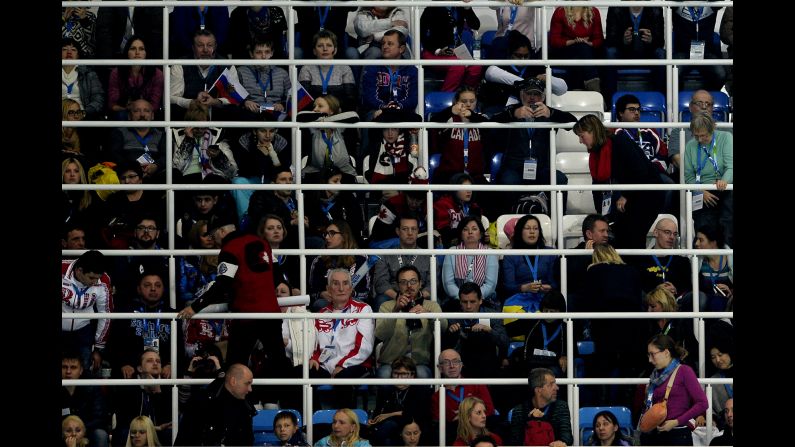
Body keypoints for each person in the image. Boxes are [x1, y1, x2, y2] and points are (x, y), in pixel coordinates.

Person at [176, 216, 290, 374]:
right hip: (271, 313)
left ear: (222, 232)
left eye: (213, 235)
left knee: (235, 365)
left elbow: (222, 284)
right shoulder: (262, 242)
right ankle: (293, 397)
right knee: (279, 361)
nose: (213, 240)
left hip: (246, 315)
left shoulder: (230, 249)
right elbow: (276, 271)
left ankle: (236, 398)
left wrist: (195, 307)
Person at [574, 114, 665, 249]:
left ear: (592, 131)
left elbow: (640, 171)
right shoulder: (596, 154)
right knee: (620, 236)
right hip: (632, 197)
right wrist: (602, 215)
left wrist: (626, 195)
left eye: (582, 136)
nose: (580, 141)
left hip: (648, 195)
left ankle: (634, 268)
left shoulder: (619, 142)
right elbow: (597, 188)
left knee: (632, 238)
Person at [492, 78, 576, 215]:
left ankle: (558, 221)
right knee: (508, 180)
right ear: (521, 95)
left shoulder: (548, 113)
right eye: (528, 93)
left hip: (541, 168)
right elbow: (492, 121)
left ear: (542, 97)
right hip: (514, 168)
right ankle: (505, 221)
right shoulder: (512, 110)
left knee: (559, 179)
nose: (532, 98)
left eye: (536, 94)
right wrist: (514, 114)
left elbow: (574, 122)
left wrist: (551, 113)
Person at [582, 244, 646, 408]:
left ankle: (602, 412)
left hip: (606, 331)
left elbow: (588, 304)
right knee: (628, 378)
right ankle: (627, 415)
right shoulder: (632, 271)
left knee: (601, 373)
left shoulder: (594, 271)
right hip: (634, 331)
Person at [309, 269, 375, 409]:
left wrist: (342, 365)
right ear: (328, 289)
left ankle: (345, 425)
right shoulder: (321, 314)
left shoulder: (364, 309)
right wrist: (314, 358)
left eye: (345, 284)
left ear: (351, 288)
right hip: (325, 366)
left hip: (355, 365)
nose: (341, 288)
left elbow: (364, 346)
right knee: (302, 372)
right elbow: (314, 343)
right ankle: (314, 422)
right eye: (335, 284)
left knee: (343, 378)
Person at [376, 265, 446, 378]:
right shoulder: (386, 306)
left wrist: (429, 315)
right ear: (398, 286)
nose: (409, 286)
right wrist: (395, 310)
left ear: (420, 283)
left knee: (423, 374)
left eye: (413, 281)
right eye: (403, 282)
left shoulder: (432, 306)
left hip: (419, 363)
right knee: (383, 374)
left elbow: (443, 328)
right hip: (391, 362)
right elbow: (381, 335)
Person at [639, 334, 709, 446]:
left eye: (652, 354)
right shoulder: (655, 376)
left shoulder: (684, 371)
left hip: (678, 435)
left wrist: (676, 422)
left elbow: (703, 403)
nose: (650, 360)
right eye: (648, 355)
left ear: (666, 352)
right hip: (656, 434)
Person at [109, 271, 176, 379]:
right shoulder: (125, 312)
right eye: (147, 285)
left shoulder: (172, 314)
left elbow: (180, 347)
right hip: (131, 370)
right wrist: (123, 364)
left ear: (164, 289)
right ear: (139, 289)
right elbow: (114, 343)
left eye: (158, 285)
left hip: (163, 370)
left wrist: (171, 364)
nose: (153, 289)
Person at [174, 363, 257, 446]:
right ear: (233, 381)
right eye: (247, 383)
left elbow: (247, 441)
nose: (250, 389)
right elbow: (184, 439)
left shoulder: (246, 407)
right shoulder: (200, 402)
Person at [684, 112, 733, 247]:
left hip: (725, 187)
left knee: (727, 222)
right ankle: (704, 263)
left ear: (713, 129)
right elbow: (688, 177)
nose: (700, 140)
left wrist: (725, 181)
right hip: (702, 191)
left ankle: (728, 262)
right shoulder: (690, 146)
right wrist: (700, 191)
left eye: (704, 135)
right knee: (703, 227)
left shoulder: (726, 137)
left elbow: (731, 166)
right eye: (696, 136)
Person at [169, 29, 238, 121]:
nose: (205, 50)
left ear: (215, 46)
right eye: (200, 45)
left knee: (234, 110)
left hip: (218, 114)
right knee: (173, 110)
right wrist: (192, 102)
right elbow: (172, 97)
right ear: (193, 47)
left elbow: (236, 97)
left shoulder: (227, 65)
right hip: (188, 114)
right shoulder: (180, 64)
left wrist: (215, 101)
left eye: (210, 45)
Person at [443, 282, 509, 379]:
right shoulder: (453, 318)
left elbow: (505, 342)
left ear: (480, 300)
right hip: (463, 364)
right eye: (465, 302)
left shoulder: (493, 315)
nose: (468, 306)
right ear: (460, 302)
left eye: (472, 302)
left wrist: (489, 330)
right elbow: (445, 348)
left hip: (488, 364)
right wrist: (451, 333)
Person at [62, 250, 112, 373]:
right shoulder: (61, 269)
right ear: (79, 270)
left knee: (86, 374)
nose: (95, 282)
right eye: (91, 278)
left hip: (84, 331)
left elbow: (105, 314)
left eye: (98, 278)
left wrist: (98, 348)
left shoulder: (104, 280)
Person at [604, 5, 666, 104]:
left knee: (661, 54)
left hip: (647, 52)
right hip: (623, 52)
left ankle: (660, 100)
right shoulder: (615, 8)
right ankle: (610, 101)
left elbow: (660, 42)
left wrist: (651, 40)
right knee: (610, 53)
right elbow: (610, 40)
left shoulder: (655, 9)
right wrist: (623, 40)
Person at [431, 349, 497, 441]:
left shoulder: (477, 384)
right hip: (456, 437)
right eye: (446, 363)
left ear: (461, 365)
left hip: (480, 435)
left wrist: (463, 416)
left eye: (455, 361)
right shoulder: (437, 396)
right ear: (440, 368)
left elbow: (490, 413)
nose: (452, 366)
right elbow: (440, 426)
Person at [231, 124, 291, 224]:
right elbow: (245, 169)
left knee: (283, 180)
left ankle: (277, 222)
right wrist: (258, 153)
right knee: (238, 182)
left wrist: (272, 154)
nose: (267, 135)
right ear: (255, 131)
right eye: (263, 131)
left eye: (271, 131)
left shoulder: (281, 142)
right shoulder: (245, 140)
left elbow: (283, 170)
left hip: (271, 181)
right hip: (252, 179)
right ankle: (246, 221)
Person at [372, 213, 432, 311]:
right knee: (380, 300)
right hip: (393, 296)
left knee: (436, 300)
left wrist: (418, 297)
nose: (410, 233)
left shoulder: (428, 256)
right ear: (398, 231)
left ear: (418, 231)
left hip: (420, 296)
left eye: (413, 229)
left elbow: (433, 284)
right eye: (405, 229)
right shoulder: (385, 254)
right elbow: (381, 283)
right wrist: (398, 297)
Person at [501, 214, 559, 318]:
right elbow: (507, 287)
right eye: (527, 228)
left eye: (535, 228)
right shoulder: (510, 255)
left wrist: (550, 287)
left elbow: (555, 282)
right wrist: (524, 288)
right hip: (519, 299)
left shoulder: (550, 253)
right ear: (520, 232)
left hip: (546, 298)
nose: (532, 231)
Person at [429, 86, 490, 184]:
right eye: (464, 101)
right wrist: (451, 111)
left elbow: (489, 125)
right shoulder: (450, 119)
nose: (468, 104)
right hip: (450, 174)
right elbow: (432, 122)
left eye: (472, 101)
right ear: (457, 102)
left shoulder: (480, 119)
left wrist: (472, 116)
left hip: (474, 175)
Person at [368, 357, 433, 446]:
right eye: (396, 374)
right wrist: (373, 420)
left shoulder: (421, 390)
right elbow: (378, 412)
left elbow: (414, 413)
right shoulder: (386, 390)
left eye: (403, 374)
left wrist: (389, 415)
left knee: (389, 425)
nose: (399, 378)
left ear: (412, 375)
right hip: (392, 432)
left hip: (413, 430)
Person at [112, 349, 172, 446]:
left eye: (158, 361)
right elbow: (127, 421)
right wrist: (153, 429)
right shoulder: (129, 386)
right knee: (123, 434)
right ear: (139, 368)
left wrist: (157, 392)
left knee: (170, 433)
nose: (155, 363)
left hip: (158, 431)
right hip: (134, 431)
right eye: (150, 361)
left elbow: (167, 421)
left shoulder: (167, 387)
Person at [307, 220, 371, 309]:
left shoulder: (360, 258)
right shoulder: (319, 260)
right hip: (328, 303)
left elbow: (365, 292)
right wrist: (321, 294)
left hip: (353, 300)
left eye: (332, 233)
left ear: (344, 236)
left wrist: (349, 294)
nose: (326, 237)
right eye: (325, 234)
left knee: (362, 306)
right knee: (320, 304)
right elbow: (312, 292)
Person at [419, 3, 482, 92]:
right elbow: (422, 35)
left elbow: (476, 25)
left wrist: (467, 8)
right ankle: (445, 100)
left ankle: (464, 96)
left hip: (455, 52)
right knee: (457, 65)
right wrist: (438, 51)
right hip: (433, 52)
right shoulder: (431, 8)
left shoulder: (460, 7)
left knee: (476, 67)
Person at [172, 101, 238, 182]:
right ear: (188, 124)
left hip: (212, 178)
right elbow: (176, 169)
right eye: (196, 127)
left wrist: (218, 157)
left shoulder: (217, 136)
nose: (200, 130)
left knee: (213, 180)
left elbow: (232, 172)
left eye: (203, 127)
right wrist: (188, 141)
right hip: (187, 178)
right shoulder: (178, 136)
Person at [360, 29, 419, 119]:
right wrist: (384, 107)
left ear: (401, 49)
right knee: (371, 116)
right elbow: (368, 97)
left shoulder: (412, 70)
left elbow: (413, 98)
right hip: (378, 110)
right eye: (383, 43)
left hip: (402, 110)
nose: (385, 46)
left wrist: (397, 106)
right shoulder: (372, 67)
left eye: (390, 44)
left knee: (416, 120)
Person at [441, 216, 498, 306]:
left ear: (481, 234)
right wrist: (463, 299)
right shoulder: (452, 252)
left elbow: (490, 284)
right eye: (465, 229)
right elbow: (448, 283)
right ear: (461, 234)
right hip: (458, 301)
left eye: (474, 229)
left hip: (483, 301)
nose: (470, 232)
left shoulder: (490, 254)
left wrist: (475, 299)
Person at [509, 368, 573, 447]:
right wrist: (533, 420)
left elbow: (567, 437)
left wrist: (561, 442)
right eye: (551, 384)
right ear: (538, 390)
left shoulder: (561, 406)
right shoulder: (519, 411)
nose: (557, 388)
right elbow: (515, 442)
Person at [549, 3, 604, 94]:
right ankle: (595, 91)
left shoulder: (594, 11)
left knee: (583, 49)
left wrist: (588, 43)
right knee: (581, 50)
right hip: (565, 50)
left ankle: (575, 91)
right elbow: (554, 41)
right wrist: (573, 41)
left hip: (587, 51)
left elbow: (599, 39)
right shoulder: (560, 11)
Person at [298, 30, 358, 112]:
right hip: (314, 112)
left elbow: (350, 100)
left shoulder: (345, 68)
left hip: (337, 112)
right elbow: (303, 102)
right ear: (314, 51)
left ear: (335, 50)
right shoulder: (306, 68)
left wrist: (330, 108)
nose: (325, 49)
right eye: (320, 46)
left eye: (329, 45)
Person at [108, 99, 167, 182]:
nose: (142, 115)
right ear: (129, 116)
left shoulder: (161, 135)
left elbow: (166, 157)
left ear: (152, 115)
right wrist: (134, 168)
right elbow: (115, 156)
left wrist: (156, 166)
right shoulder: (119, 132)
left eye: (146, 111)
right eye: (136, 111)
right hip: (127, 176)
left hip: (153, 176)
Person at [671, 4, 726, 91]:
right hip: (683, 51)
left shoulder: (711, 5)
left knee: (721, 73)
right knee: (673, 74)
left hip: (706, 52)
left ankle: (706, 97)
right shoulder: (678, 4)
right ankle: (679, 100)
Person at [107, 36, 164, 119]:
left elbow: (154, 105)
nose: (137, 52)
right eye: (133, 49)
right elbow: (112, 104)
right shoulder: (116, 72)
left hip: (148, 113)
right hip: (124, 112)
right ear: (127, 52)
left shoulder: (157, 73)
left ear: (146, 53)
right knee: (121, 115)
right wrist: (130, 110)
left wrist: (139, 110)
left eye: (141, 49)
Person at [62, 351, 110, 447]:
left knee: (100, 435)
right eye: (64, 367)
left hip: (87, 430)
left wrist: (80, 430)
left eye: (73, 367)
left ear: (81, 370)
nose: (68, 371)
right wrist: (68, 430)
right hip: (63, 431)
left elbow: (100, 417)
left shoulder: (92, 385)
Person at [239, 37, 291, 119]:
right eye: (259, 52)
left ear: (272, 53)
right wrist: (245, 102)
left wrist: (282, 105)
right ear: (251, 54)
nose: (263, 56)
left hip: (276, 114)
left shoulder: (282, 73)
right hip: (251, 114)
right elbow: (234, 98)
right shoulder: (241, 72)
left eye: (267, 52)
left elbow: (289, 98)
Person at [433, 174, 483, 247]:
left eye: (470, 188)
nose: (469, 191)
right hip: (448, 247)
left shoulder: (475, 208)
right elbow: (444, 232)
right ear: (455, 189)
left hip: (470, 244)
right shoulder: (442, 205)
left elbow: (480, 230)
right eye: (464, 188)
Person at [62, 38, 105, 121]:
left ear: (78, 55)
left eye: (73, 49)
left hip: (82, 117)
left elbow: (98, 99)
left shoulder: (88, 73)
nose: (69, 52)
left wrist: (84, 113)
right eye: (64, 49)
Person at [694, 224, 733, 311]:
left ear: (713, 242)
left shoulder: (730, 258)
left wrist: (730, 290)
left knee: (717, 302)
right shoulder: (697, 260)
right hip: (705, 304)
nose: (696, 243)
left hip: (727, 303)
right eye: (697, 239)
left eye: (701, 240)